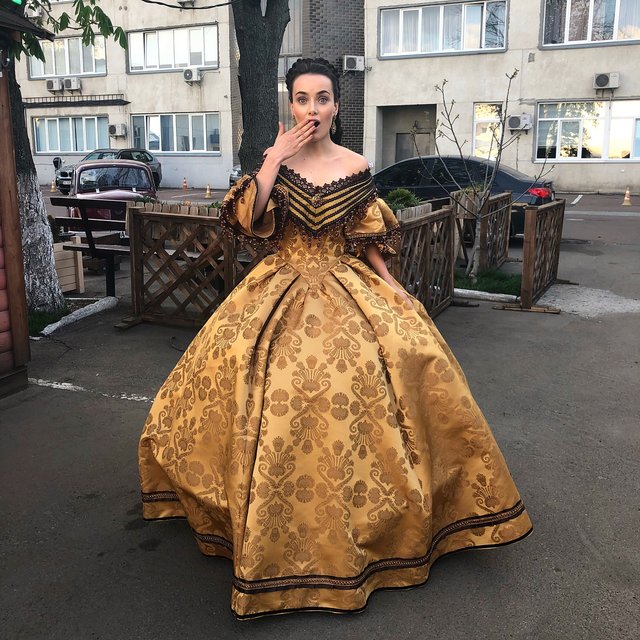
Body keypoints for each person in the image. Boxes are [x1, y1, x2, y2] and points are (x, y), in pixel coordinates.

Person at [138, 58, 532, 619]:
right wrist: (272, 160)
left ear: (336, 107)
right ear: (290, 105)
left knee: (404, 363)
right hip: (279, 286)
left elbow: (366, 238)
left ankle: (375, 521)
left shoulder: (356, 165)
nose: (312, 109)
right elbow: (246, 224)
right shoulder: (276, 162)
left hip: (348, 288)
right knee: (246, 377)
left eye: (322, 98)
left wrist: (393, 288)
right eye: (302, 99)